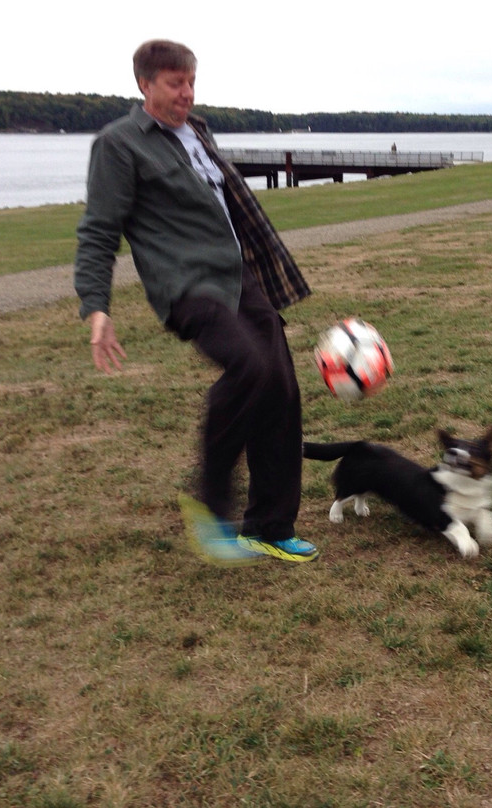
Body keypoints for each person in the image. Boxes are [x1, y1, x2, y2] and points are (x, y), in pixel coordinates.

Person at [74, 39, 318, 565]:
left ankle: (270, 527)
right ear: (144, 85)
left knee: (279, 386)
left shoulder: (199, 130)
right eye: (173, 83)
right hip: (187, 285)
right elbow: (98, 232)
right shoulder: (119, 145)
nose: (185, 93)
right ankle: (210, 504)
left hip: (239, 276)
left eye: (190, 82)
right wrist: (98, 308)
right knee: (249, 367)